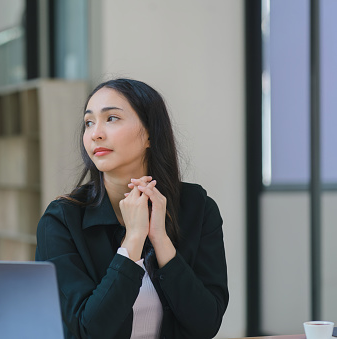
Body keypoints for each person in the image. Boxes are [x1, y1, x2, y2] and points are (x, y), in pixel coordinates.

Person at [35, 78, 228, 339]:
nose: (95, 133)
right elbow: (87, 331)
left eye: (111, 118)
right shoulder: (61, 220)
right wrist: (133, 242)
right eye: (89, 122)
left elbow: (206, 323)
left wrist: (160, 240)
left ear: (150, 133)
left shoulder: (198, 207)